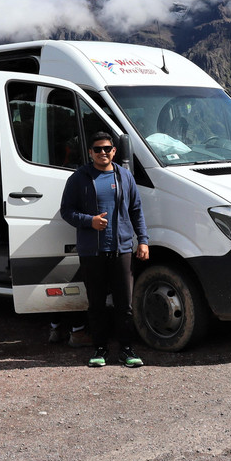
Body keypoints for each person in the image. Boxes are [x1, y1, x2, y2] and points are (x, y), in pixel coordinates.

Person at [60, 131, 149, 367]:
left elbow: (136, 210)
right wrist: (90, 221)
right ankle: (100, 350)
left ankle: (127, 351)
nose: (103, 153)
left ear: (114, 151)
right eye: (97, 149)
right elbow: (66, 211)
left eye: (107, 148)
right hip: (92, 252)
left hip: (122, 249)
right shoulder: (79, 177)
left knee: (124, 305)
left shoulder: (124, 176)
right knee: (97, 305)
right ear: (90, 152)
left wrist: (143, 240)